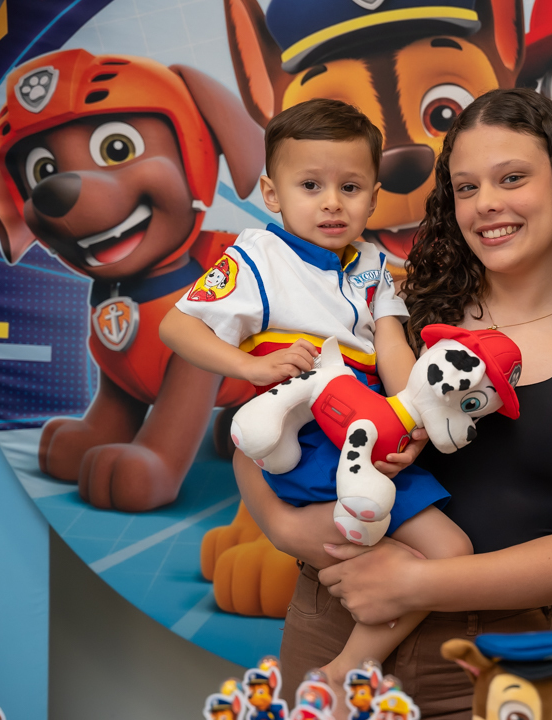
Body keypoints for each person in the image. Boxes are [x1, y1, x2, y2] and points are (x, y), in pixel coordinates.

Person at [232, 88, 552, 718]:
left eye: (511, 178)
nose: (487, 203)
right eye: (466, 187)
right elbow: (268, 428)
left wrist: (416, 582)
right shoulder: (395, 309)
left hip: (494, 664)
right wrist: (289, 530)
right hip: (334, 632)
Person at [159, 99, 474, 694]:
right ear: (272, 194)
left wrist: (413, 414)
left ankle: (341, 673)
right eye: (310, 185)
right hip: (306, 438)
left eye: (349, 187)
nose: (332, 202)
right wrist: (249, 365)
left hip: (368, 431)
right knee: (442, 552)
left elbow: (391, 345)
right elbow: (177, 326)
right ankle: (349, 670)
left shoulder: (373, 264)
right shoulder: (258, 257)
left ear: (373, 198)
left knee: (444, 553)